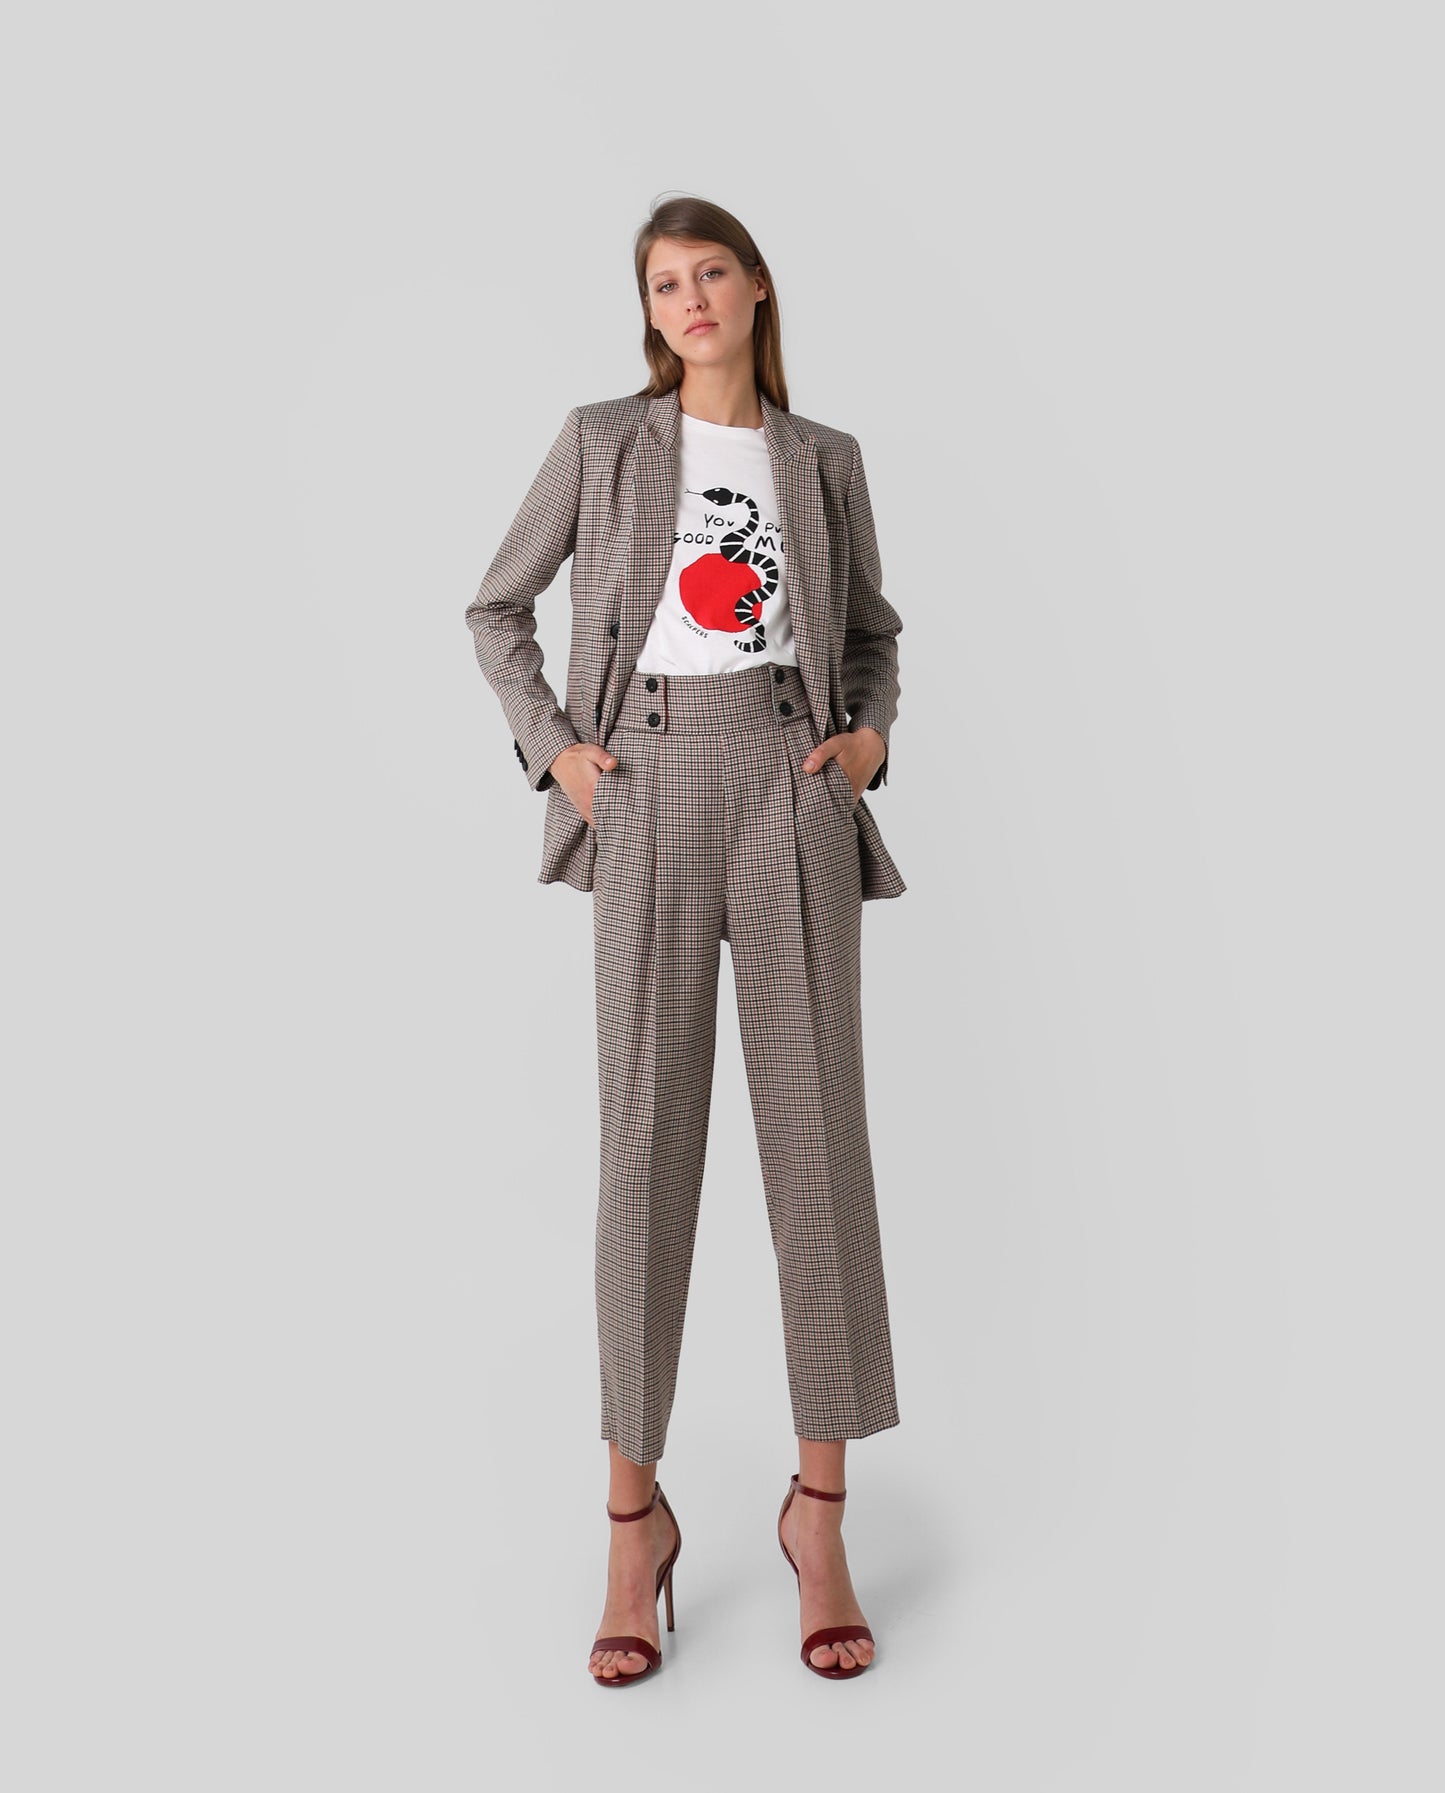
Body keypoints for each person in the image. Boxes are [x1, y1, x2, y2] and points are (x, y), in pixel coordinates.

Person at [464, 194, 908, 1686]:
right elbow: (496, 608)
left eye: (710, 270)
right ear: (647, 312)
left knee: (817, 1147)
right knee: (644, 1149)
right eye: (663, 282)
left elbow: (872, 633)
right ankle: (630, 1523)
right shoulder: (603, 443)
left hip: (791, 790)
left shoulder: (822, 459)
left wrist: (866, 739)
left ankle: (819, 1518)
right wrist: (560, 754)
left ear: (757, 286)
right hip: (645, 784)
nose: (690, 298)